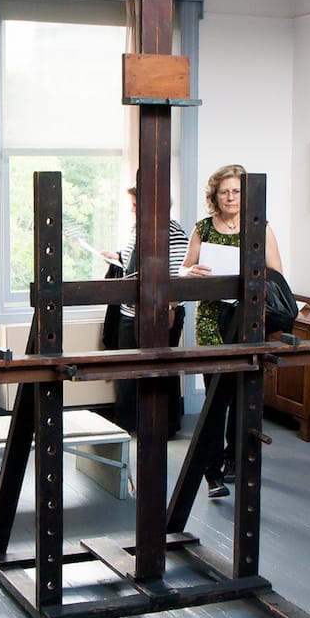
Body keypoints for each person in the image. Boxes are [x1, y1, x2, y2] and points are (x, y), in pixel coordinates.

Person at [180, 164, 283, 498]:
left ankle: (236, 462)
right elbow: (182, 271)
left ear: (246, 194)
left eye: (236, 191)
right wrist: (191, 271)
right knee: (216, 396)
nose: (230, 197)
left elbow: (277, 274)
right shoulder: (203, 228)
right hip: (211, 315)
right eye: (224, 191)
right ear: (215, 195)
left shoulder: (260, 228)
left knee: (244, 394)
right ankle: (211, 472)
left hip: (247, 316)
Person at [98, 186, 189, 435]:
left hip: (160, 314)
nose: (132, 209)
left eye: (136, 204)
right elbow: (132, 262)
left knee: (161, 371)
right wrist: (116, 257)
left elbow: (178, 274)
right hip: (129, 311)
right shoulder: (135, 229)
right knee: (127, 370)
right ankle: (128, 424)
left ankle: (164, 426)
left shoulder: (174, 233)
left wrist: (170, 308)